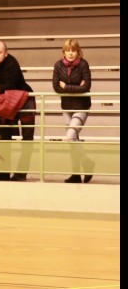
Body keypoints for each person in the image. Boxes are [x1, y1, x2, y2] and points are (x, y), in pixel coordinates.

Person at [0, 41, 34, 182]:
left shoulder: (12, 62)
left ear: (6, 53)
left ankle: (21, 173)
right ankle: (3, 172)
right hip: (7, 104)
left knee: (27, 139)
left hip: (25, 101)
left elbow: (10, 85)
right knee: (4, 137)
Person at [52, 39, 93, 183]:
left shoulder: (83, 64)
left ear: (78, 52)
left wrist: (66, 87)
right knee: (73, 140)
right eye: (68, 50)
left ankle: (88, 163)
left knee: (70, 136)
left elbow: (86, 87)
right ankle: (76, 174)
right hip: (66, 107)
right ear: (63, 52)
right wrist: (76, 87)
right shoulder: (58, 65)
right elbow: (56, 87)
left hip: (81, 107)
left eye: (73, 50)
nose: (70, 53)